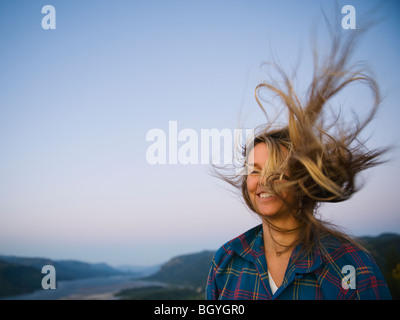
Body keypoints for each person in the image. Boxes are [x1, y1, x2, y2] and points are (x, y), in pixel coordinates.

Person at [205, 27, 392, 300]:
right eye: (254, 171)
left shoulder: (352, 267)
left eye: (277, 171)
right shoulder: (227, 261)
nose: (263, 181)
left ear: (304, 179)